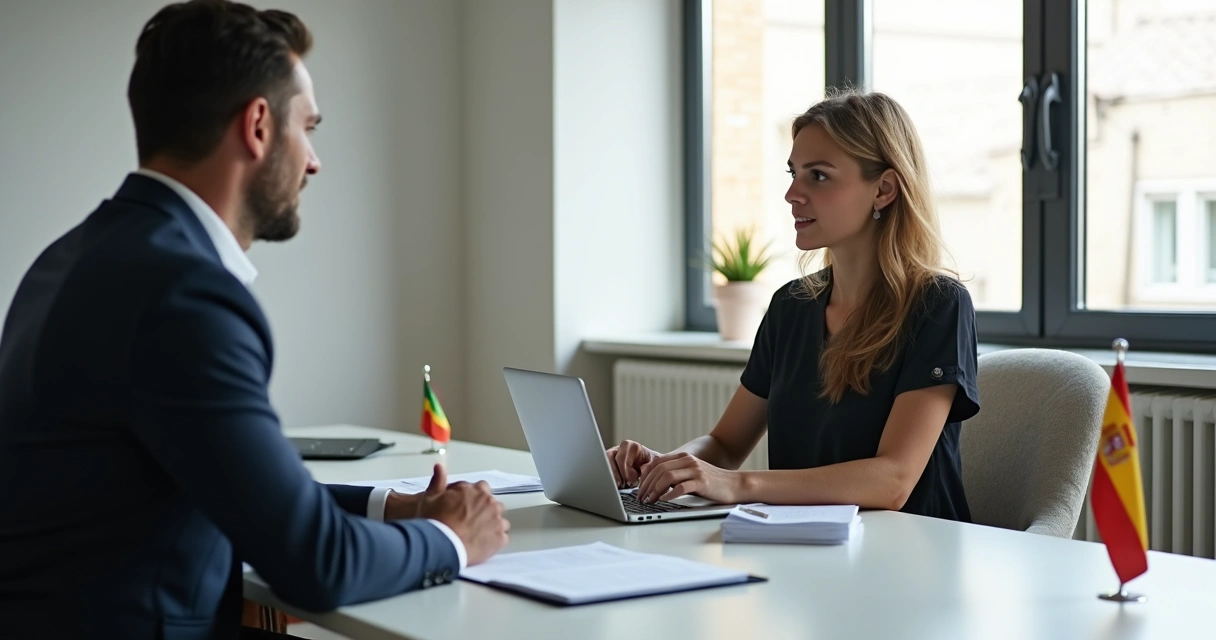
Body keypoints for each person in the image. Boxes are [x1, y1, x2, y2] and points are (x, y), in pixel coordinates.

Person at [0, 1, 508, 638]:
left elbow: (230, 489)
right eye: (309, 128)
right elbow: (316, 563)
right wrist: (453, 537)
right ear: (259, 125)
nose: (314, 161)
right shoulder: (184, 295)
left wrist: (396, 507)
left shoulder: (68, 260)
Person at [609, 91, 980, 522]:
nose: (791, 194)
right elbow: (725, 446)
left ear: (883, 190)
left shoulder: (938, 305)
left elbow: (893, 480)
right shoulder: (789, 307)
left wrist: (740, 484)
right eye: (793, 173)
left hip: (910, 549)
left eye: (818, 176)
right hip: (802, 545)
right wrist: (665, 467)